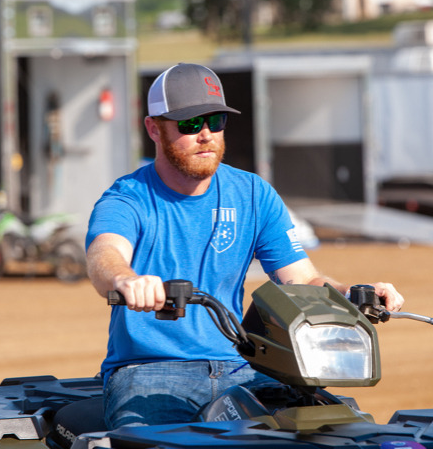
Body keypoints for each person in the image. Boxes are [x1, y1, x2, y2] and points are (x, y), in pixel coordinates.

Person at [85, 62, 404, 430]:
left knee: (333, 431)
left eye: (215, 121)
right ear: (153, 128)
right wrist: (126, 280)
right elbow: (103, 256)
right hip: (150, 371)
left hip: (241, 367)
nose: (206, 134)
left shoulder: (252, 194)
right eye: (190, 124)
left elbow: (303, 281)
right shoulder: (128, 198)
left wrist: (354, 294)